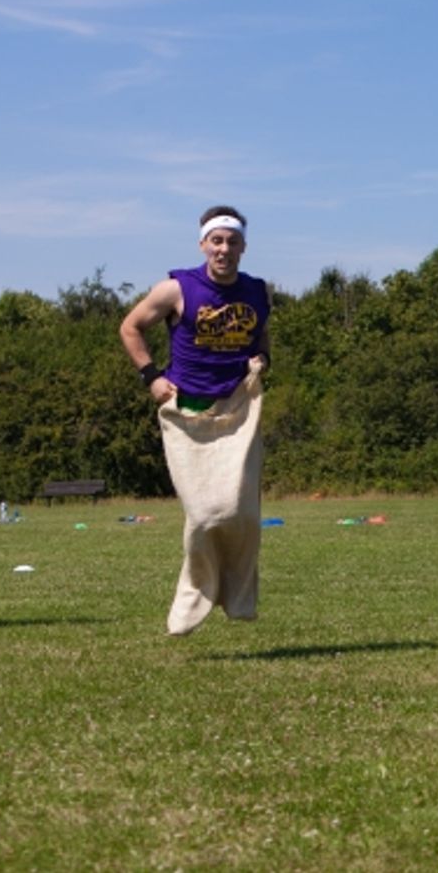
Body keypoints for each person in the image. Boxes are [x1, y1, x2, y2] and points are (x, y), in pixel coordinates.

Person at [119, 205, 272, 636]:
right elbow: (130, 328)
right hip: (187, 412)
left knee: (241, 515)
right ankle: (193, 599)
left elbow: (261, 332)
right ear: (203, 243)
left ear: (244, 246)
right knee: (206, 515)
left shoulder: (258, 291)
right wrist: (151, 377)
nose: (224, 249)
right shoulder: (175, 289)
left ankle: (239, 600)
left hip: (238, 408)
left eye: (232, 241)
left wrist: (263, 357)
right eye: (216, 241)